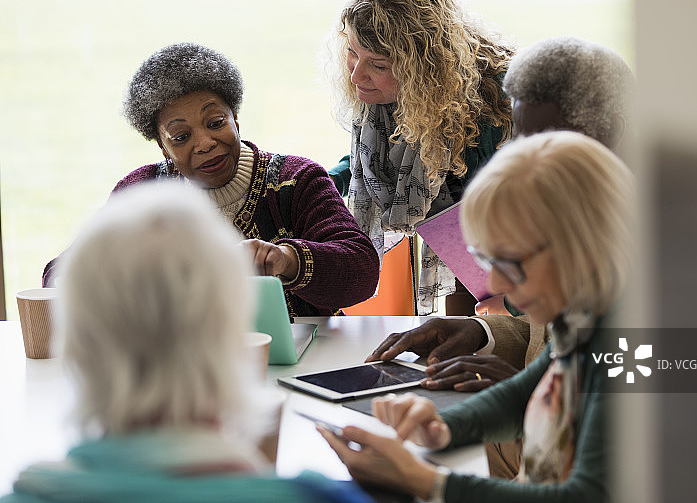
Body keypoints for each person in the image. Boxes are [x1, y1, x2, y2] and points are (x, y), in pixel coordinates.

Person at [2, 183, 373, 503]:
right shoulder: (318, 497)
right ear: (234, 338)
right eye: (181, 135)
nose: (204, 143)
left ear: (77, 343)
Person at [320, 131, 634, 502]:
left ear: (582, 248)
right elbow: (520, 396)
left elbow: (587, 496)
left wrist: (426, 481)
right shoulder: (584, 315)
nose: (496, 283)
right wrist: (441, 427)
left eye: (510, 263)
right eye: (487, 260)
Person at [367, 36, 634, 389]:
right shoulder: (573, 201)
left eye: (544, 139)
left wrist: (523, 394)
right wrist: (480, 332)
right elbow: (550, 336)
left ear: (610, 131)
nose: (526, 155)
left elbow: (635, 386)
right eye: (518, 138)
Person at [42, 42, 379, 317]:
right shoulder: (142, 193)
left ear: (235, 118)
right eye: (181, 137)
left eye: (216, 122)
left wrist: (287, 260)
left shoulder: (295, 180)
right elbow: (61, 274)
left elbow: (362, 270)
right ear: (162, 147)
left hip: (306, 362)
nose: (204, 143)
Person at [327, 0, 513, 315]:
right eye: (352, 52)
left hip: (507, 264)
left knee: (475, 333)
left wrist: (516, 304)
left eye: (377, 65)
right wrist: (321, 183)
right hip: (457, 247)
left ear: (423, 68)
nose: (355, 75)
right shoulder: (385, 95)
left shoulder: (498, 108)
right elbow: (378, 160)